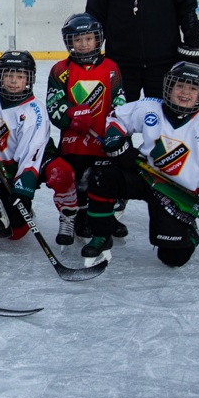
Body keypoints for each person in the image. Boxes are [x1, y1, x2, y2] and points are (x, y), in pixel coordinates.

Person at [87, 63, 199, 267]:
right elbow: (118, 118)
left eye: (193, 89)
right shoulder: (150, 107)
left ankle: (190, 232)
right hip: (144, 174)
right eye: (180, 86)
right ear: (168, 87)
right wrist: (116, 140)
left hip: (174, 192)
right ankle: (101, 235)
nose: (185, 93)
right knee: (101, 177)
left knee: (172, 258)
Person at [44, 13, 127, 245]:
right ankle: (79, 218)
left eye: (88, 39)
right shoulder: (60, 69)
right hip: (74, 140)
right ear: (68, 42)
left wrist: (116, 131)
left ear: (98, 39)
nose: (83, 44)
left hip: (103, 138)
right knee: (78, 179)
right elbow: (54, 104)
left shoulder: (111, 68)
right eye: (77, 40)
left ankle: (104, 219)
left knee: (104, 179)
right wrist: (70, 114)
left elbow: (120, 102)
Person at [0, 51, 49, 242]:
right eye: (8, 75)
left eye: (20, 76)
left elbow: (31, 153)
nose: (13, 81)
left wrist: (22, 190)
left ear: (29, 79)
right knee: (13, 234)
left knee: (62, 172)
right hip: (4, 164)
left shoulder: (34, 111)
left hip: (33, 163)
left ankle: (70, 215)